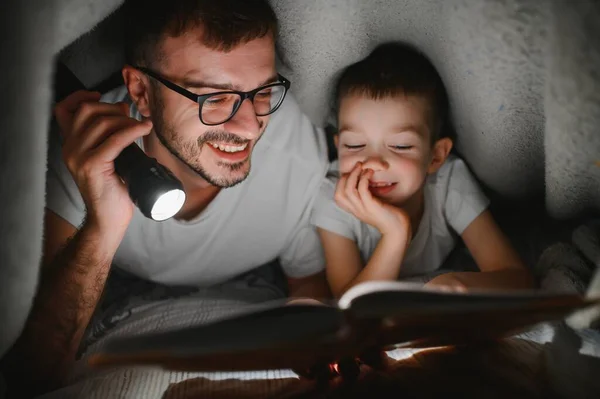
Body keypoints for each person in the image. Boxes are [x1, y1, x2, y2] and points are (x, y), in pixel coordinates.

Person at [2, 0, 331, 396]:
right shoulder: (85, 156)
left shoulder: (299, 154)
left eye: (262, 92)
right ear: (141, 91)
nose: (248, 126)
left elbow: (309, 283)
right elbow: (31, 376)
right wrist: (103, 227)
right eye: (214, 98)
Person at [310, 42, 535, 298]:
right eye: (355, 145)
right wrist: (395, 233)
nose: (373, 163)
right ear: (338, 148)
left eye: (400, 145)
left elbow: (518, 279)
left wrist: (458, 284)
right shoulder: (332, 196)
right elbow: (350, 303)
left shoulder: (448, 181)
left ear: (436, 156)